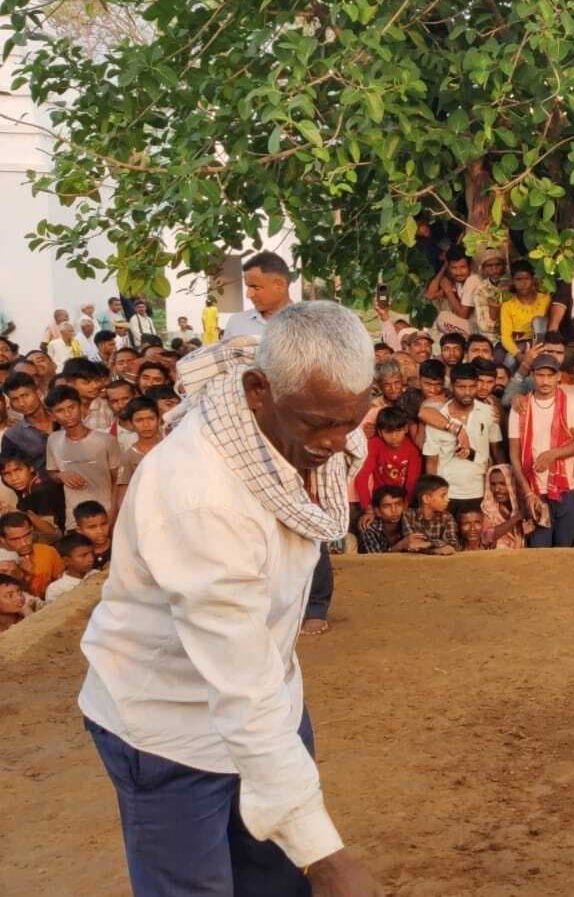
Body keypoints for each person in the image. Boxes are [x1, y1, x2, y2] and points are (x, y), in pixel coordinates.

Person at [76, 302, 383, 896]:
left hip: (269, 703)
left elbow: (252, 684)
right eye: (318, 423)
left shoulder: (313, 422)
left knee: (276, 885)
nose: (337, 443)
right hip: (169, 728)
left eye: (350, 421)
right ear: (257, 390)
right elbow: (238, 677)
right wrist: (327, 858)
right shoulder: (199, 493)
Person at [509, 354, 574, 547]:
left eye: (550, 376)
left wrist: (553, 454)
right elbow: (514, 455)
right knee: (540, 551)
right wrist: (527, 493)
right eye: (540, 375)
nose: (545, 381)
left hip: (566, 488)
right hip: (535, 491)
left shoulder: (571, 401)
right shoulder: (521, 405)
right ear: (532, 376)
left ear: (559, 376)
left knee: (565, 550)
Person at [423, 362, 503, 516]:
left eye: (472, 386)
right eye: (461, 387)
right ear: (452, 387)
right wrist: (434, 497)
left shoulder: (488, 413)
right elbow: (432, 461)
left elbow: (497, 451)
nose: (467, 392)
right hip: (448, 495)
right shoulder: (438, 418)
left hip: (480, 491)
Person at [43, 385, 122, 527]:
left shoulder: (106, 440)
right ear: (52, 415)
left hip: (105, 515)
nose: (68, 414)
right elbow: (51, 472)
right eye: (60, 410)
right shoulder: (53, 440)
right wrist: (61, 476)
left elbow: (118, 480)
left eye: (71, 407)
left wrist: (112, 514)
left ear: (80, 406)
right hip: (74, 519)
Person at [353, 405, 423, 511]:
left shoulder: (412, 448)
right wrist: (368, 509)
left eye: (398, 431)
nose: (394, 436)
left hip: (403, 499)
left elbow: (412, 481)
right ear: (380, 432)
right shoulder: (374, 444)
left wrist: (405, 505)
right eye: (388, 432)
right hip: (379, 500)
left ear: (406, 429)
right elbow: (362, 477)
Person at [223, 251, 295, 339]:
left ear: (280, 285)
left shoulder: (308, 324)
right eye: (248, 287)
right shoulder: (236, 323)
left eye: (255, 287)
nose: (248, 295)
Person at [2, 510, 65, 597]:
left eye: (27, 535)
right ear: (2, 540)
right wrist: (22, 576)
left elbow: (62, 586)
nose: (24, 543)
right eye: (15, 539)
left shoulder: (48, 551)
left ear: (32, 530)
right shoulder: (3, 564)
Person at [479, 464, 532, 550]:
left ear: (511, 483)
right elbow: (487, 537)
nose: (497, 489)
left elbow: (531, 534)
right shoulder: (488, 507)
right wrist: (517, 517)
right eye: (493, 484)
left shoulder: (524, 503)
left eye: (502, 484)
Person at [44, 531, 96, 603]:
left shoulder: (97, 574)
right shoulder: (56, 589)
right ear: (66, 561)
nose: (91, 559)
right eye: (83, 555)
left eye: (92, 553)